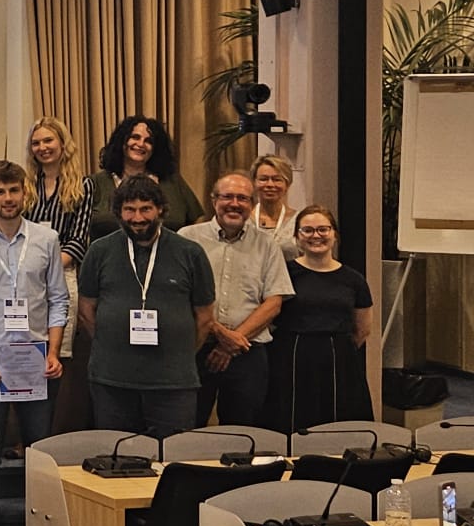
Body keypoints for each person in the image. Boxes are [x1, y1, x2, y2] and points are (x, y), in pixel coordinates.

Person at [0, 161, 66, 526]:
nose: (8, 198)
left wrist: (53, 352)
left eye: (14, 190)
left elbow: (58, 300)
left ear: (25, 193)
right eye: (0, 192)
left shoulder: (46, 239)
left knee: (38, 450)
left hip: (36, 355)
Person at [77, 176, 217, 437]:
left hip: (173, 383)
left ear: (161, 209)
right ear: (118, 212)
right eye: (129, 209)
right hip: (112, 380)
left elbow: (205, 318)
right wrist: (112, 342)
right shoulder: (99, 251)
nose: (137, 218)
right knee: (116, 458)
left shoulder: (190, 252)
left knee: (173, 458)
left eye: (145, 209)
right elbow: (86, 311)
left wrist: (179, 350)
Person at [185, 172, 293, 427]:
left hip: (248, 352)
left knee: (244, 433)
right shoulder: (188, 238)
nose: (234, 203)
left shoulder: (267, 244)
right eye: (227, 197)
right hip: (196, 348)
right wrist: (220, 333)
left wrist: (232, 342)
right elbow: (180, 296)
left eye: (243, 198)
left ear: (252, 204)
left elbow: (274, 301)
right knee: (189, 429)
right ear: (214, 201)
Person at [263, 205, 374, 434]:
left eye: (323, 229)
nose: (316, 236)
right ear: (297, 237)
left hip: (338, 361)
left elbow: (362, 329)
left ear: (334, 234)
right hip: (290, 358)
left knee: (340, 424)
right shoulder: (283, 272)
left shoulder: (354, 279)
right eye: (308, 230)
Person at [25, 117, 93, 390]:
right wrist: (33, 268)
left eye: (48, 140)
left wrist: (49, 268)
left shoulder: (83, 185)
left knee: (56, 353)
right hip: (26, 273)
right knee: (26, 344)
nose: (42, 147)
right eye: (36, 142)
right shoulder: (25, 182)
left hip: (63, 274)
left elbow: (78, 238)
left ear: (63, 144)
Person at [86, 115, 202, 239]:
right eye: (135, 137)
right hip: (108, 257)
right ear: (121, 141)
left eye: (149, 141)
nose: (141, 144)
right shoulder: (95, 183)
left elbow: (198, 220)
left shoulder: (172, 182)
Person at [252, 154, 302, 259]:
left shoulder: (299, 221)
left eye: (277, 179)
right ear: (254, 183)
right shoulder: (244, 220)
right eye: (263, 179)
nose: (270, 184)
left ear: (287, 184)